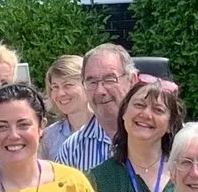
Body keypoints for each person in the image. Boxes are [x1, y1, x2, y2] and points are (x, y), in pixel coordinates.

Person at [50, 42, 135, 172]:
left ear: (132, 81)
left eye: (109, 79)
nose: (100, 90)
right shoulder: (72, 150)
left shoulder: (155, 136)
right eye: (92, 82)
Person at [44, 55, 91, 153]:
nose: (60, 93)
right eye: (55, 87)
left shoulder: (109, 129)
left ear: (87, 85)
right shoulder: (48, 137)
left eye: (68, 85)